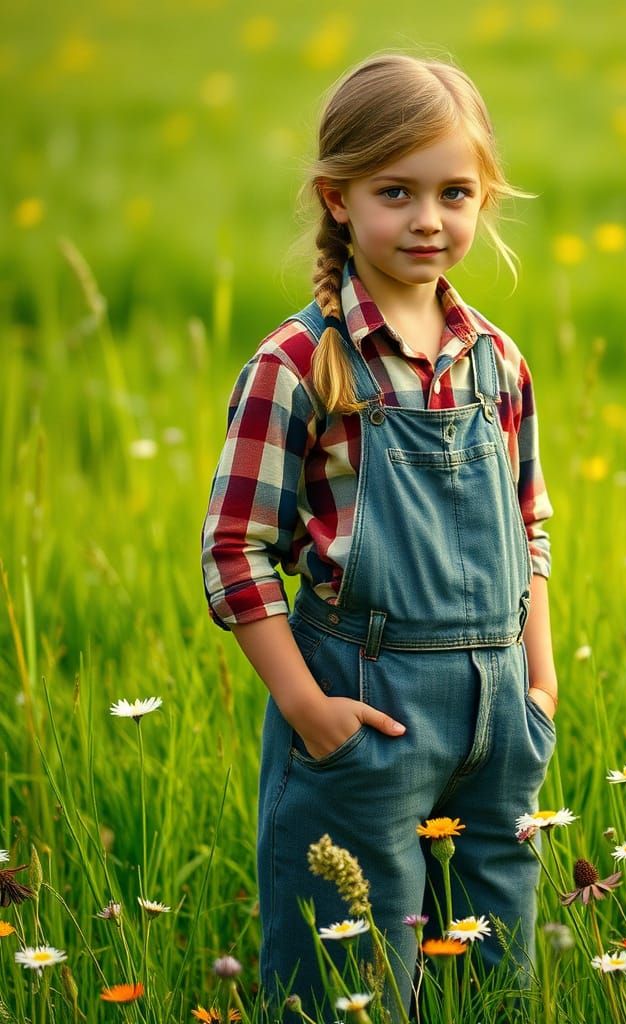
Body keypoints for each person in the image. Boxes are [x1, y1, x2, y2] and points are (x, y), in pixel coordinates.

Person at [200, 52, 558, 1017]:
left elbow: (530, 528)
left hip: (498, 715)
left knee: (495, 970)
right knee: (350, 979)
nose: (428, 219)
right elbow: (235, 551)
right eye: (395, 192)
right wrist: (310, 710)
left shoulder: (497, 361)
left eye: (454, 191)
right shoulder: (300, 364)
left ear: (485, 196)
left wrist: (538, 682)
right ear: (338, 198)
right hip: (366, 706)